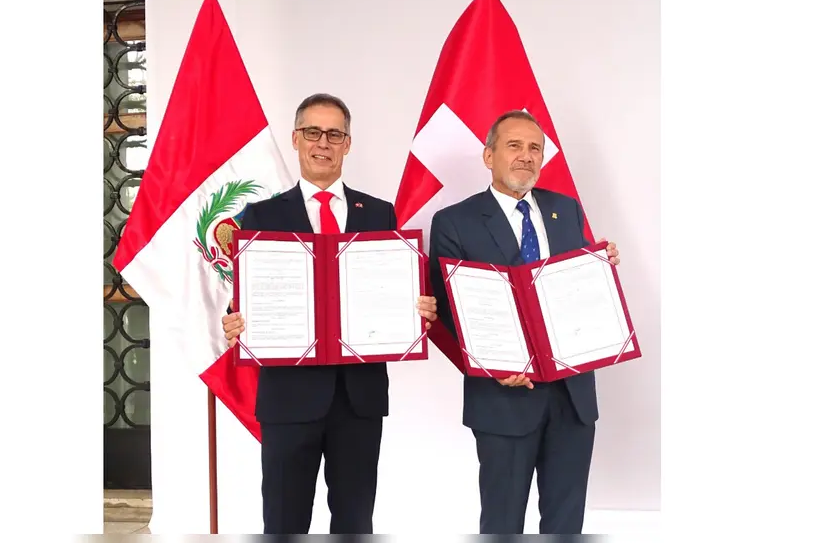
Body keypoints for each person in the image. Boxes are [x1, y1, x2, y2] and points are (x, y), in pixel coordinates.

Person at [220, 93, 438, 535]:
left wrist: (418, 309)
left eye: (335, 134)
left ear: (348, 144)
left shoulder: (379, 213)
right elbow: (248, 295)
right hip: (288, 397)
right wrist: (235, 319)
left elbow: (393, 289)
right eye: (313, 132)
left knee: (355, 522)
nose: (323, 143)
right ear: (296, 139)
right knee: (284, 522)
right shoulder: (261, 215)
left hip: (358, 398)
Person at [427, 110, 621, 535]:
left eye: (535, 148)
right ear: (488, 156)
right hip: (503, 397)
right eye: (514, 145)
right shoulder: (455, 221)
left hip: (572, 395)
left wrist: (600, 266)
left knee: (566, 524)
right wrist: (493, 362)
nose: (526, 156)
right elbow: (450, 311)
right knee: (502, 523)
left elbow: (576, 289)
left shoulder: (566, 210)